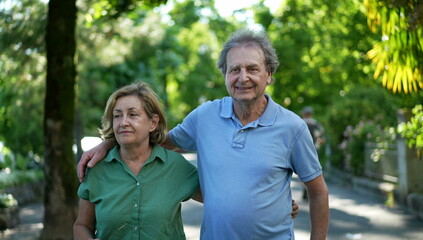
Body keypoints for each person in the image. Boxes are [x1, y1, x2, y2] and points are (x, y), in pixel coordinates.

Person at [78, 28, 328, 240]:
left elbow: (317, 192)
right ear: (225, 74)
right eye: (234, 69)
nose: (243, 77)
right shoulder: (205, 116)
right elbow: (158, 141)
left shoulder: (292, 127)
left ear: (269, 74)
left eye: (252, 69)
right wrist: (110, 143)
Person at [73, 82, 202, 240]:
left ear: (153, 123)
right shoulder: (97, 168)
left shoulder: (175, 165)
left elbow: (218, 199)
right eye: (117, 115)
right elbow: (82, 226)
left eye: (132, 114)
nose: (123, 122)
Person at [300, 106, 326, 200]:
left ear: (303, 113)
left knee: (301, 172)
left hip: (301, 151)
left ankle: (304, 189)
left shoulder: (299, 123)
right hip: (314, 151)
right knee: (313, 172)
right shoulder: (317, 124)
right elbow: (322, 139)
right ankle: (309, 191)